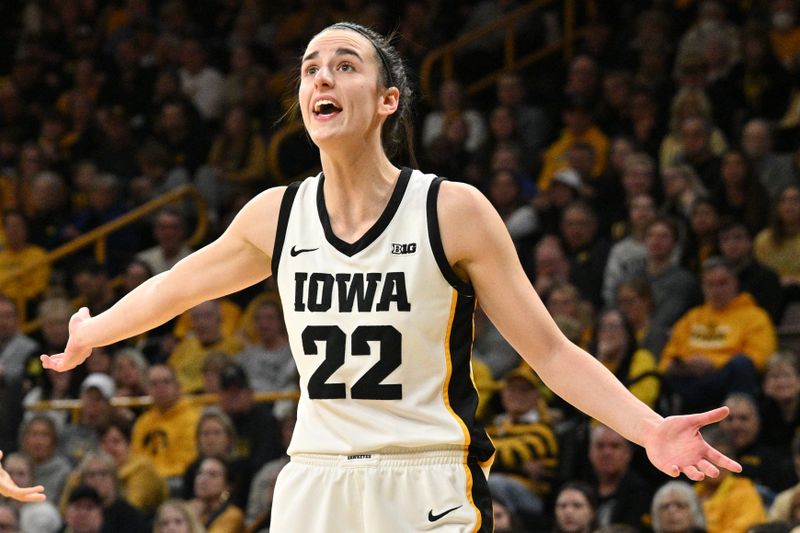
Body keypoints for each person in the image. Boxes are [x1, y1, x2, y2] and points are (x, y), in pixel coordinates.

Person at [41, 22, 741, 532]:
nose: (321, 76)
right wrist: (92, 332)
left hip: (426, 475)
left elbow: (550, 350)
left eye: (345, 65)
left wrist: (648, 428)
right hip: (313, 477)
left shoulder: (452, 210)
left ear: (386, 100)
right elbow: (176, 287)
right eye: (311, 66)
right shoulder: (275, 215)